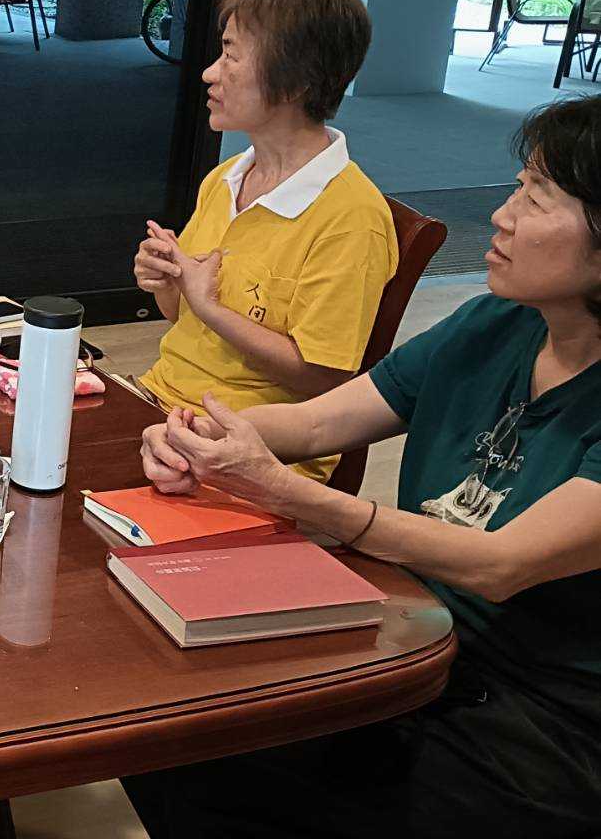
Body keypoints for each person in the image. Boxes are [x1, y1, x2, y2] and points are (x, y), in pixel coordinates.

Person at [127, 96, 601, 837]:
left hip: (542, 718)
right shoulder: (497, 322)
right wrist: (206, 437)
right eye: (517, 188)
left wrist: (288, 493)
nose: (502, 216)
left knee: (224, 764)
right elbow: (322, 420)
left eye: (536, 199)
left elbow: (502, 564)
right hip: (413, 635)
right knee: (167, 724)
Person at [132, 0, 397, 481]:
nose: (210, 73)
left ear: (296, 81)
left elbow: (321, 379)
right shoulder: (227, 177)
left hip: (253, 452)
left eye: (231, 56)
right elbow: (181, 318)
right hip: (161, 405)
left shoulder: (351, 218)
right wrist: (167, 281)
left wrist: (209, 306)